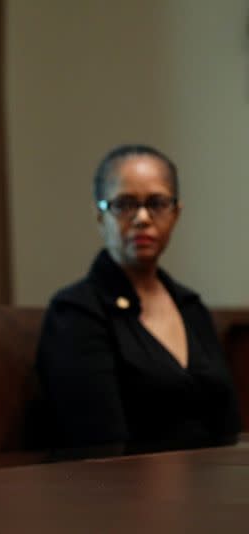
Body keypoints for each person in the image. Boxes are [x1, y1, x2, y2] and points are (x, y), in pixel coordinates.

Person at [36, 144, 240, 458]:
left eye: (157, 203)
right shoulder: (76, 312)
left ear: (176, 213)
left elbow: (228, 427)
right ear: (100, 217)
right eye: (124, 204)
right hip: (124, 498)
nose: (142, 218)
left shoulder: (190, 306)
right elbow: (99, 446)